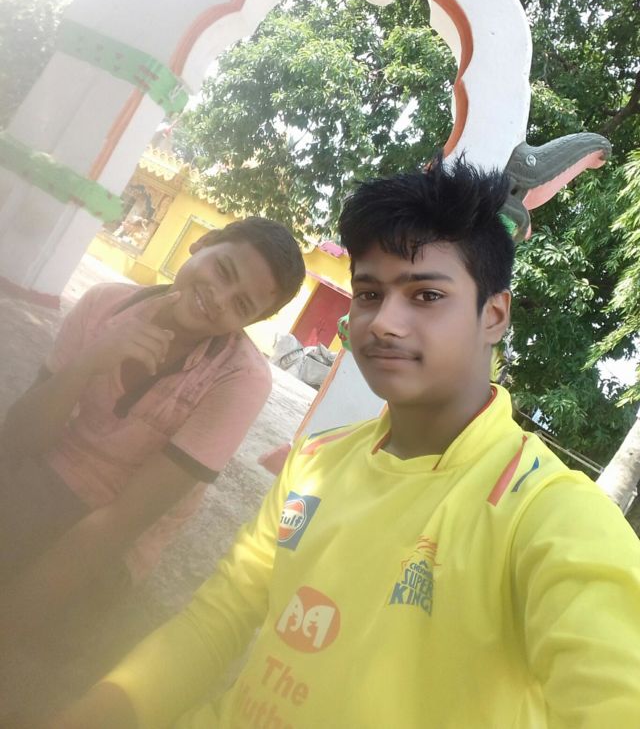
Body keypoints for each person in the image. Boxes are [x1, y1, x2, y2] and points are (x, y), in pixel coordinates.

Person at [50, 157, 640, 728]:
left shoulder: (547, 513)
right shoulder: (316, 462)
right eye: (369, 294)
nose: (383, 322)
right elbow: (215, 622)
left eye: (427, 295)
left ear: (494, 315)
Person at [0, 217, 305, 639]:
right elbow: (17, 439)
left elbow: (123, 522)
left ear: (248, 322)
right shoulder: (105, 304)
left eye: (240, 306)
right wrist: (89, 362)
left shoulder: (239, 378)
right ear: (203, 242)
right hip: (43, 477)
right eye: (223, 271)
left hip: (110, 545)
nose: (218, 299)